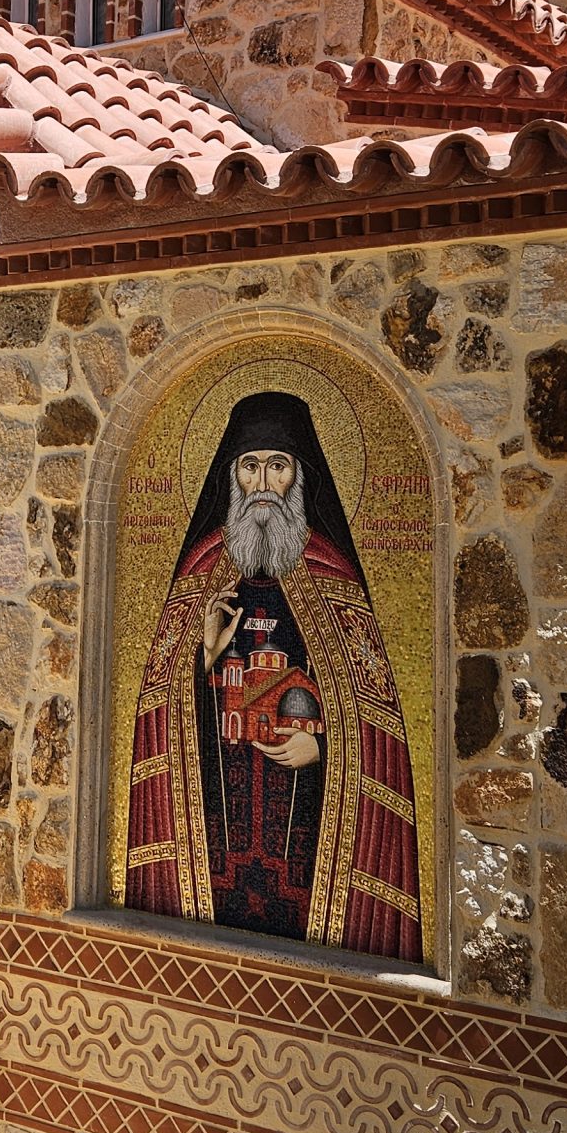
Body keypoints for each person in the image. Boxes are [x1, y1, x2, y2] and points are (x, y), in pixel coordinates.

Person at [123, 390, 421, 959]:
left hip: (308, 816)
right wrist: (204, 655)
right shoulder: (202, 568)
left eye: (278, 465)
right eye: (250, 466)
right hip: (217, 811)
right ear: (232, 477)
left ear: (300, 478)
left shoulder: (331, 572)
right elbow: (161, 703)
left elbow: (372, 711)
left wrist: (325, 748)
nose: (263, 481)